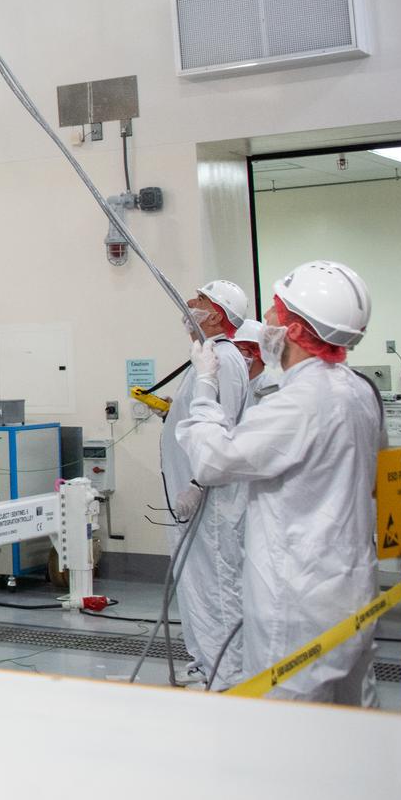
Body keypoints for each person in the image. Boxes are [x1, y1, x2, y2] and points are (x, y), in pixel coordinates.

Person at [177, 260, 383, 705]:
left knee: (287, 729)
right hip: (352, 588)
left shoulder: (300, 403)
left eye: (274, 311)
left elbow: (214, 459)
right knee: (354, 720)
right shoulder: (358, 391)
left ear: (294, 329)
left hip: (298, 598)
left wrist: (206, 387)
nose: (264, 323)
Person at [158, 279, 252, 686]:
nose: (188, 303)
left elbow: (222, 425)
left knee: (215, 586)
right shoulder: (207, 358)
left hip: (209, 503)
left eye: (198, 299)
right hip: (195, 499)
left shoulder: (223, 361)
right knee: (197, 586)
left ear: (216, 314)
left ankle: (226, 676)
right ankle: (207, 666)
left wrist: (197, 485)